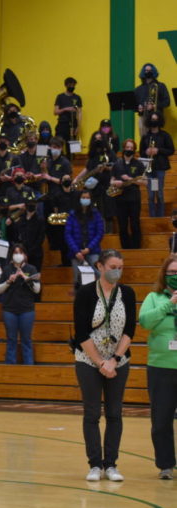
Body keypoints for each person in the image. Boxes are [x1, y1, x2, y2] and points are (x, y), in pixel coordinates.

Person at [72, 249, 135, 482]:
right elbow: (80, 332)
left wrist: (114, 360)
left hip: (118, 360)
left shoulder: (127, 293)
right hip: (89, 360)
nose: (117, 271)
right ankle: (95, 464)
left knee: (114, 413)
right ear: (100, 267)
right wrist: (100, 362)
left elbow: (130, 331)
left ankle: (111, 464)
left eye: (120, 267)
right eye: (112, 267)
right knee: (91, 413)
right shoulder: (86, 293)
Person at [139, 255, 177, 479]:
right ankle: (165, 465)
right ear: (164, 275)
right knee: (161, 419)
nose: (175, 276)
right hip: (160, 367)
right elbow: (146, 322)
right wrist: (169, 304)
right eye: (171, 273)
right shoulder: (154, 297)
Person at [0, 243, 41, 365]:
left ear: (25, 255)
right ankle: (10, 367)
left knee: (26, 339)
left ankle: (29, 367)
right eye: (15, 253)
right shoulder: (7, 269)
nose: (18, 255)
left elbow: (37, 289)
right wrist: (8, 281)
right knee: (11, 339)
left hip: (27, 310)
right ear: (12, 255)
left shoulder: (31, 269)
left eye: (20, 252)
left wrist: (27, 279)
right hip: (9, 309)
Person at [65, 190, 105, 291]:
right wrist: (76, 251)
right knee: (77, 279)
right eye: (83, 198)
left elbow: (99, 233)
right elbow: (68, 234)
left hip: (93, 250)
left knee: (99, 274)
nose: (85, 200)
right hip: (76, 253)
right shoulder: (72, 214)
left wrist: (89, 248)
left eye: (87, 198)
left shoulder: (96, 214)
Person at [111, 139, 145, 249]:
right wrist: (115, 182)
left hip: (134, 199)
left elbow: (144, 182)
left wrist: (130, 179)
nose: (129, 149)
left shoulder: (139, 164)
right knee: (122, 225)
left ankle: (136, 247)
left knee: (135, 224)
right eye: (127, 147)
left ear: (134, 150)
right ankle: (125, 248)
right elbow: (111, 180)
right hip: (120, 199)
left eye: (131, 148)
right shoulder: (117, 164)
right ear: (124, 148)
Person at [139, 111, 174, 218]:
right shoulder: (145, 137)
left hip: (160, 169)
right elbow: (141, 152)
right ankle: (152, 218)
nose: (154, 121)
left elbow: (171, 150)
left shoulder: (165, 135)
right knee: (150, 196)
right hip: (149, 170)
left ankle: (161, 218)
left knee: (159, 194)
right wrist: (146, 152)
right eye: (152, 119)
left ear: (159, 121)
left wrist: (158, 150)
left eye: (155, 119)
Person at [45, 174, 78, 267]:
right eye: (65, 179)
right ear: (61, 182)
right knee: (63, 244)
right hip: (62, 223)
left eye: (68, 178)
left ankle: (75, 262)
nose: (67, 180)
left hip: (74, 223)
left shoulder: (76, 194)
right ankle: (65, 263)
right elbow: (55, 210)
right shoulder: (57, 195)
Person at [134, 63, 170, 135]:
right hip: (143, 117)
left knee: (156, 139)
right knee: (144, 140)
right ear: (143, 72)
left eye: (150, 70)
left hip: (156, 117)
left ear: (154, 71)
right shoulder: (138, 89)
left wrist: (154, 106)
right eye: (146, 70)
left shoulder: (161, 86)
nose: (148, 72)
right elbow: (134, 105)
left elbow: (167, 102)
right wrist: (138, 108)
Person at [12, 197, 45, 271]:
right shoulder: (20, 219)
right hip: (22, 253)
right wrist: (22, 251)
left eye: (33, 205)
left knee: (35, 275)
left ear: (36, 206)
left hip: (36, 253)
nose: (31, 206)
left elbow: (40, 238)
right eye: (29, 204)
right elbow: (16, 235)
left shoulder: (40, 220)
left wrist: (30, 251)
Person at [53, 77, 82, 157]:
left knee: (72, 149)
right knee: (58, 144)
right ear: (66, 85)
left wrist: (78, 126)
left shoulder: (77, 97)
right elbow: (55, 112)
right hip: (62, 124)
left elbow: (79, 112)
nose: (72, 87)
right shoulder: (60, 97)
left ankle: (70, 165)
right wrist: (65, 109)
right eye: (70, 85)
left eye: (73, 85)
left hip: (73, 125)